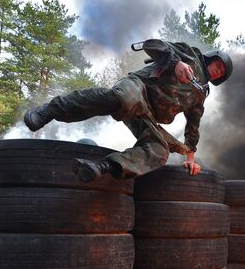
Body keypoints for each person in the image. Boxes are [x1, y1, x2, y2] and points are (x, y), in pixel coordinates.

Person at [23, 39, 233, 182]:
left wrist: (190, 159)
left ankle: (103, 167)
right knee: (123, 99)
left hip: (147, 116)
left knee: (160, 151)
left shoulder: (199, 94)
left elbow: (193, 128)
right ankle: (49, 111)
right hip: (139, 88)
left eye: (221, 73)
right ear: (211, 58)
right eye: (218, 65)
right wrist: (176, 62)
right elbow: (151, 44)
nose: (217, 71)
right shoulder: (189, 54)